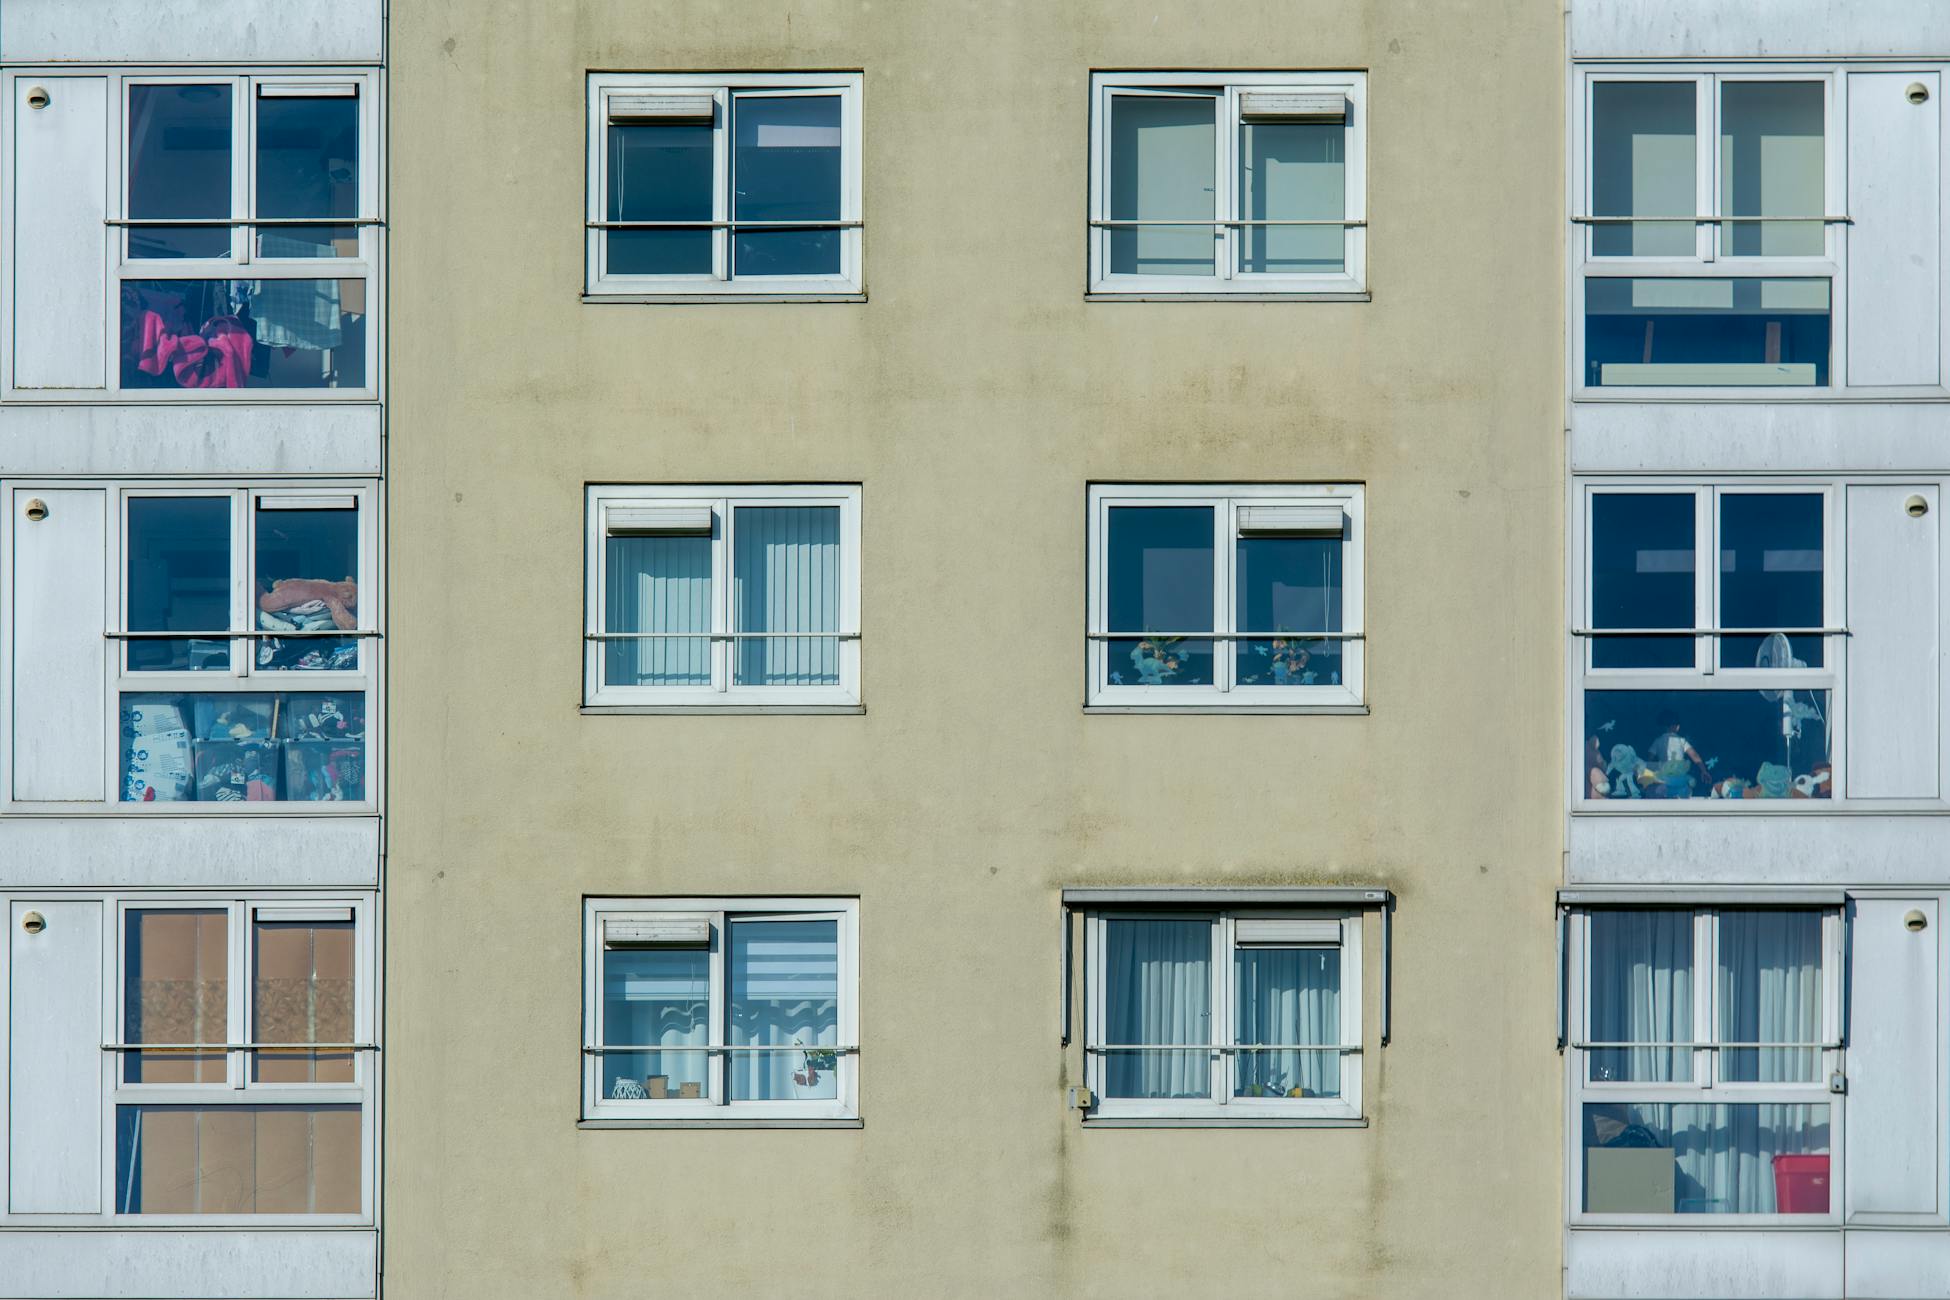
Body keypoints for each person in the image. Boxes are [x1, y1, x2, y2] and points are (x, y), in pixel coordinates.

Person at [1645, 708, 1711, 797]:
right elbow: (1694, 755)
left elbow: (1649, 760)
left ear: (1662, 727)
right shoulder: (1682, 741)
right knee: (1686, 788)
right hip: (1681, 779)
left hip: (1665, 780)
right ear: (1677, 727)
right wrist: (1704, 771)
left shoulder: (1657, 741)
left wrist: (1647, 775)